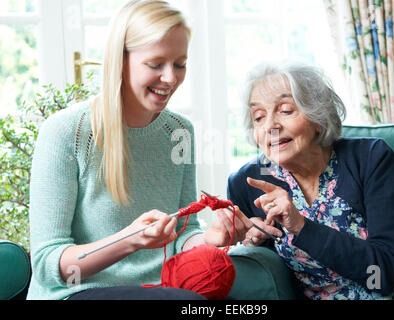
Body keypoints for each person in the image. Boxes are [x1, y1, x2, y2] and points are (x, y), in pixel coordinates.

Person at [27, 0, 249, 300]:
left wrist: (212, 238)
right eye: (156, 64)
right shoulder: (67, 132)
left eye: (180, 64)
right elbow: (47, 264)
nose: (171, 78)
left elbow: (183, 232)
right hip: (77, 292)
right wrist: (130, 240)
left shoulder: (179, 132)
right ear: (120, 60)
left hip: (160, 290)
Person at [227, 62, 394, 300]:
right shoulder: (247, 183)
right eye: (259, 117)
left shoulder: (369, 157)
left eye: (286, 110)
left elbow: (385, 274)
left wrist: (301, 227)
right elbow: (257, 260)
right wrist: (250, 239)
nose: (270, 126)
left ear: (318, 117)